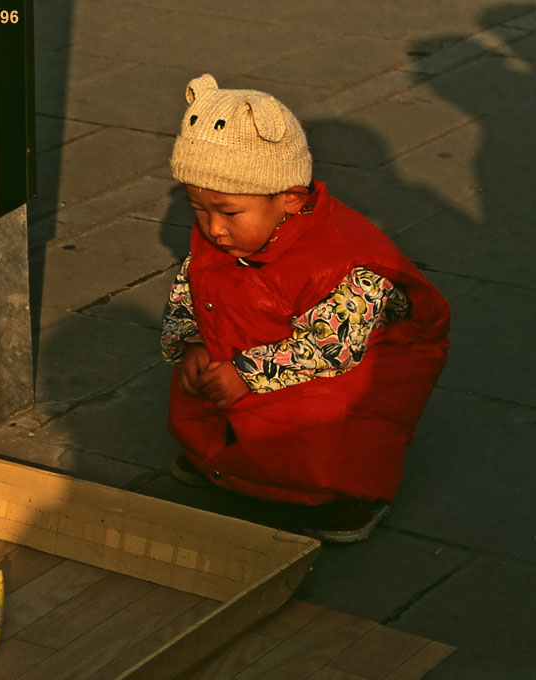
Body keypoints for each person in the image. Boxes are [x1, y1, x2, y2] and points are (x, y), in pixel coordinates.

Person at [161, 74, 450, 543]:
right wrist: (191, 340)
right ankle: (235, 463)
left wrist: (248, 373)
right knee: (202, 386)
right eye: (198, 209)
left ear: (290, 199)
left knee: (323, 422)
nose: (213, 228)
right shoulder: (225, 238)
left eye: (228, 212)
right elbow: (190, 292)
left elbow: (330, 348)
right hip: (254, 355)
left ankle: (351, 493)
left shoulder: (346, 263)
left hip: (337, 369)